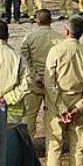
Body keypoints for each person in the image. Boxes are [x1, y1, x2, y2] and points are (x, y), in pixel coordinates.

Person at [44, 17, 83, 166]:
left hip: (57, 105)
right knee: (78, 146)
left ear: (66, 32)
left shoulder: (56, 51)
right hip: (78, 105)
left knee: (55, 146)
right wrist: (77, 108)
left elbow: (50, 83)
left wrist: (61, 108)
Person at [20, 9, 63, 139]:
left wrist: (36, 75)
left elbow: (24, 59)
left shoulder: (29, 37)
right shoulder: (59, 38)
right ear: (51, 20)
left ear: (37, 21)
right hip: (53, 83)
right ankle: (53, 144)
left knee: (29, 115)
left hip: (33, 82)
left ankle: (27, 145)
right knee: (54, 115)